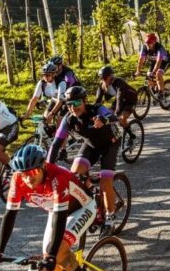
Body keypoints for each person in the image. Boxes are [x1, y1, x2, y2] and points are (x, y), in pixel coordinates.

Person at [0, 145, 97, 271]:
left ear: (43, 167)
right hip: (57, 210)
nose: (28, 178)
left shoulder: (58, 178)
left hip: (82, 208)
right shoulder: (17, 180)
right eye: (24, 174)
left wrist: (52, 256)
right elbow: (9, 215)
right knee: (49, 256)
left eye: (33, 172)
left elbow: (60, 218)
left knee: (55, 253)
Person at [48, 86, 119, 237]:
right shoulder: (68, 119)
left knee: (105, 182)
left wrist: (104, 120)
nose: (73, 107)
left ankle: (110, 218)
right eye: (69, 104)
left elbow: (114, 117)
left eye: (76, 102)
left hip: (109, 144)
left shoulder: (96, 110)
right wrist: (48, 167)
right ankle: (91, 199)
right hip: (91, 145)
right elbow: (56, 143)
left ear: (85, 101)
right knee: (74, 176)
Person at [95, 66, 138, 151]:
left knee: (121, 119)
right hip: (120, 101)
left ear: (111, 76)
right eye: (102, 78)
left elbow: (119, 97)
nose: (104, 79)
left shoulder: (119, 82)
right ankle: (114, 133)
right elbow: (97, 102)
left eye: (106, 77)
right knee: (106, 115)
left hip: (130, 100)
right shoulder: (102, 85)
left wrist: (117, 113)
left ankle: (133, 137)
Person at [24, 62, 67, 128]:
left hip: (65, 103)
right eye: (43, 75)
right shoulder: (42, 83)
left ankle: (62, 137)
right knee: (45, 120)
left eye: (48, 75)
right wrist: (27, 114)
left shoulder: (61, 82)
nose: (45, 77)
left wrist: (52, 114)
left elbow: (60, 101)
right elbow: (34, 99)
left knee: (59, 124)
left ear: (54, 74)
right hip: (54, 100)